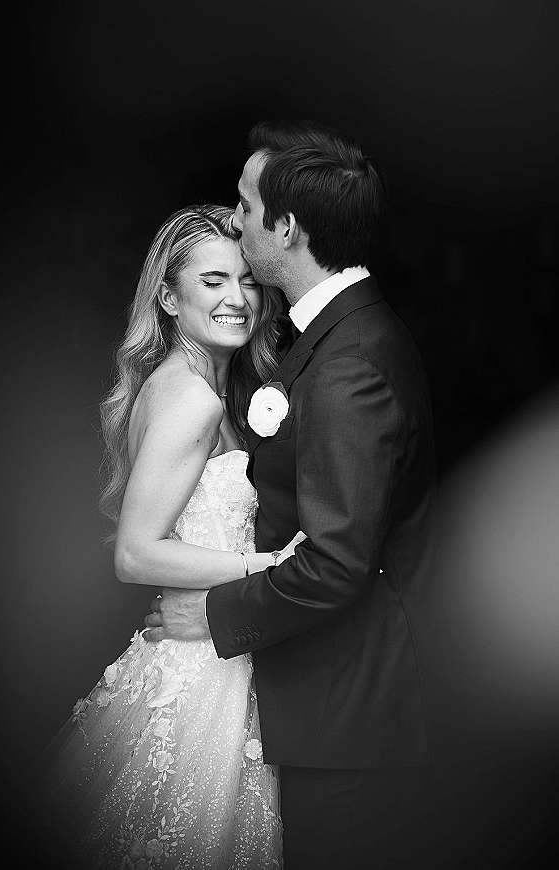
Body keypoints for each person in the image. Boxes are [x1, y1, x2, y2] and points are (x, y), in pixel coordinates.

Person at [144, 121, 442, 870]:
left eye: (246, 207)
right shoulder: (331, 338)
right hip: (319, 700)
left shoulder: (347, 364)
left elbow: (338, 564)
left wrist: (208, 616)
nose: (236, 219)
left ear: (286, 227)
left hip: (347, 714)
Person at [33, 204, 302, 870]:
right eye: (213, 281)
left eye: (246, 280)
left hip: (212, 650)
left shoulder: (196, 386)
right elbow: (136, 553)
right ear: (168, 295)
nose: (238, 298)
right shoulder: (193, 397)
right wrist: (271, 563)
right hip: (201, 671)